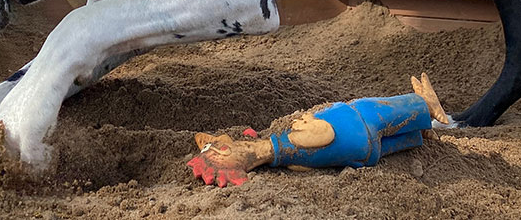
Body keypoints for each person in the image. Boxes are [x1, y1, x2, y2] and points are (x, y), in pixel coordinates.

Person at [187, 73, 449, 187]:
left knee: (390, 142)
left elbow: (307, 164)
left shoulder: (284, 160)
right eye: (230, 144)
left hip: (363, 155)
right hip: (357, 125)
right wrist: (308, 123)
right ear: (229, 151)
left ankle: (416, 135)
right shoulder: (288, 142)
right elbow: (325, 134)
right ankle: (424, 106)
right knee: (383, 112)